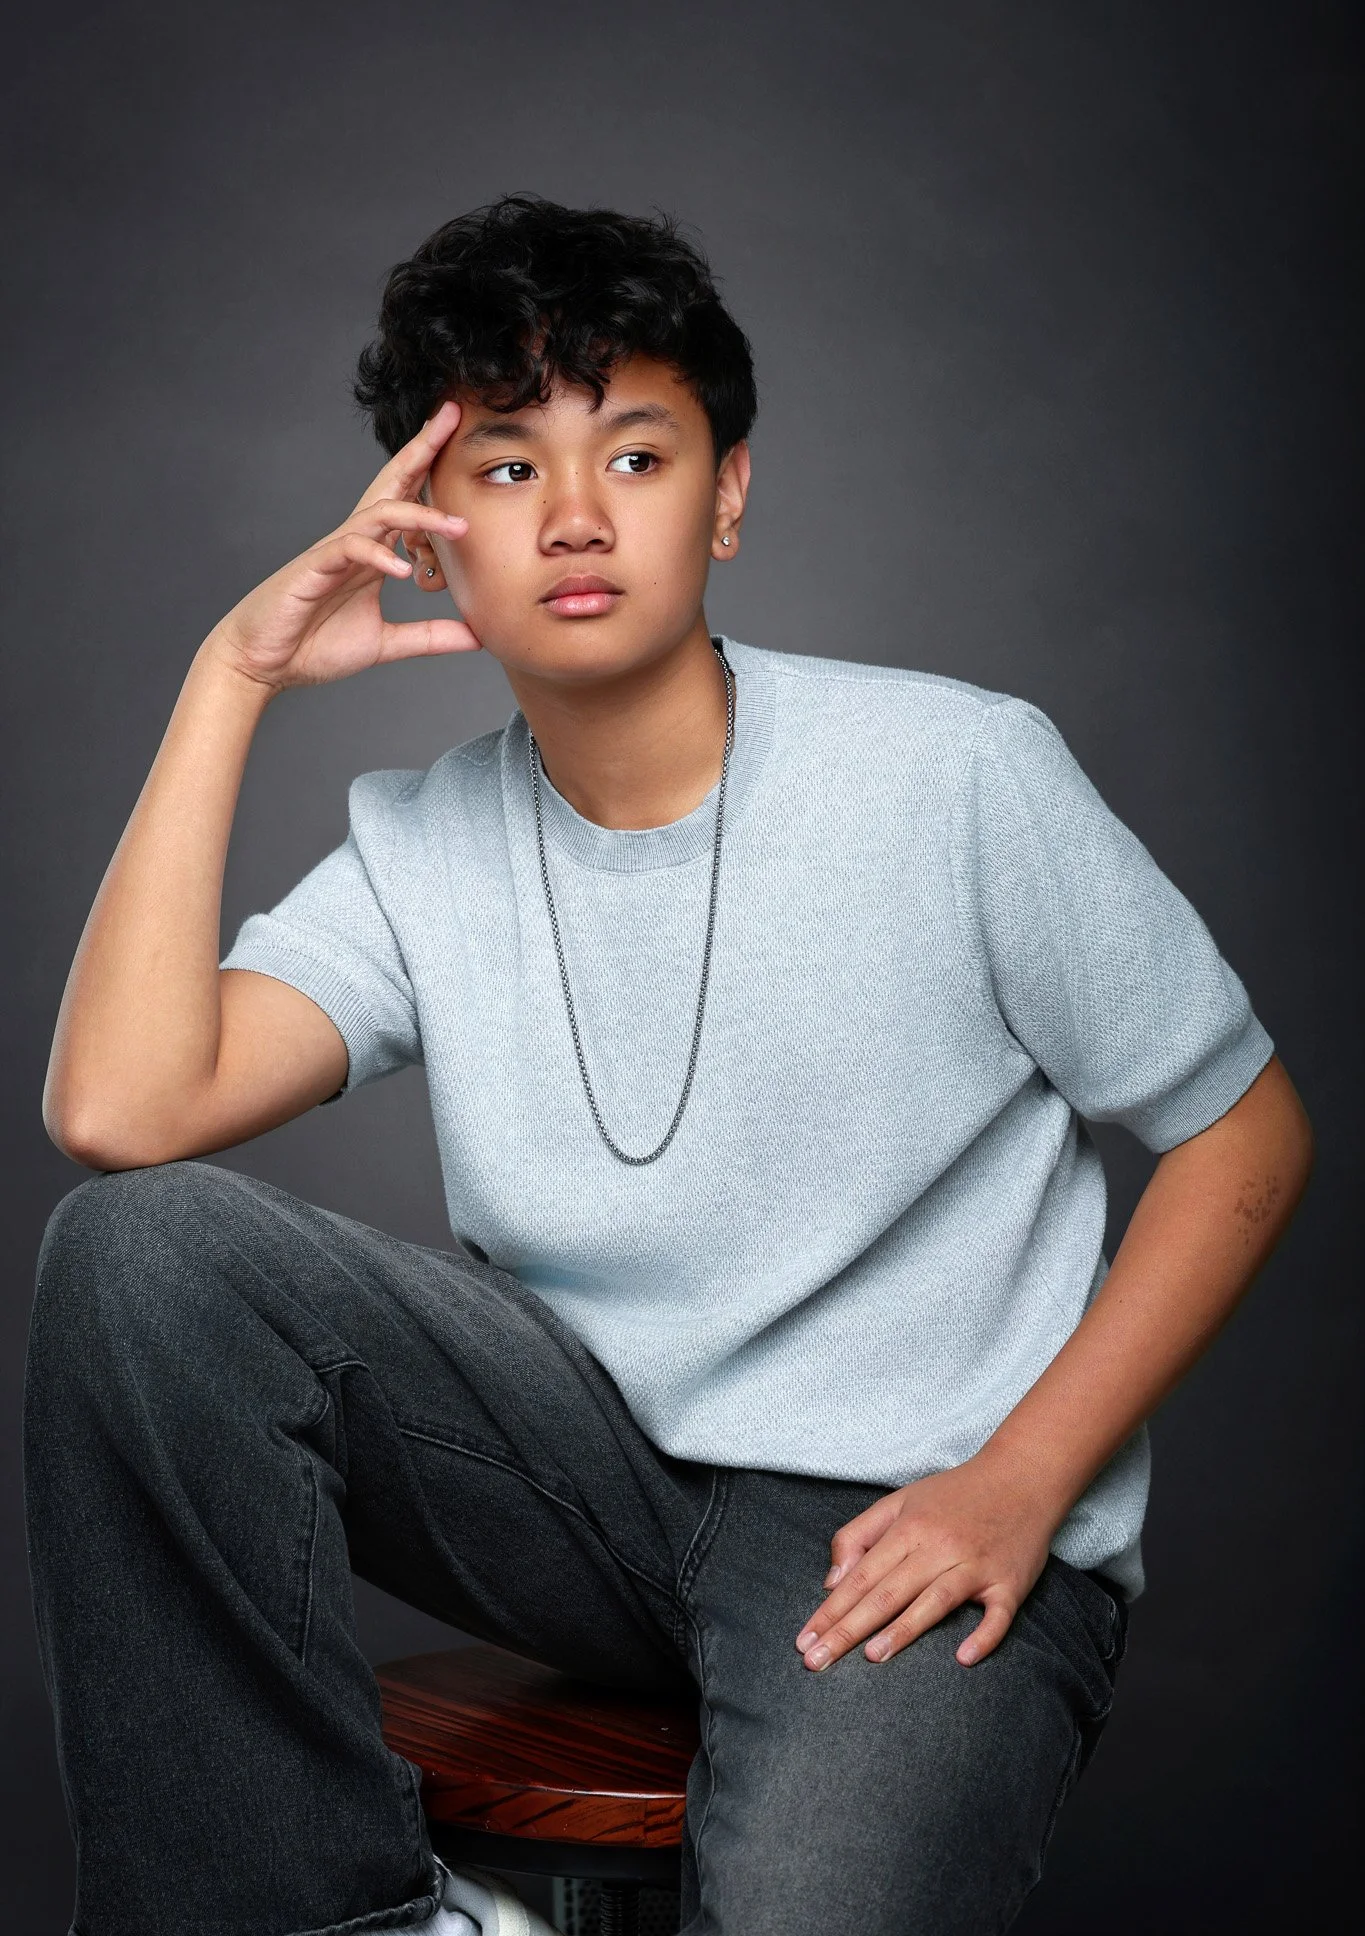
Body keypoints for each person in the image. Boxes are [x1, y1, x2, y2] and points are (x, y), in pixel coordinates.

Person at [29, 196, 1312, 1936]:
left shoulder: (956, 774)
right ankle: (349, 1923)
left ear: (727, 496)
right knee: (139, 1258)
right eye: (502, 470)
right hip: (589, 1490)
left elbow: (1245, 1131)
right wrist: (228, 675)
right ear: (428, 535)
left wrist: (1025, 1480)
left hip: (911, 1508)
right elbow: (121, 1115)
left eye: (634, 457)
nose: (572, 516)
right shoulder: (423, 845)